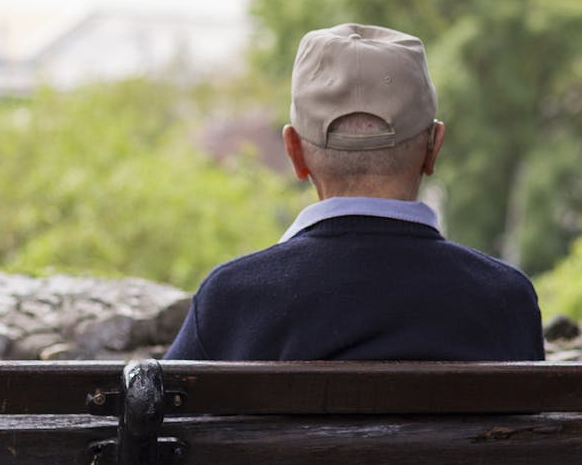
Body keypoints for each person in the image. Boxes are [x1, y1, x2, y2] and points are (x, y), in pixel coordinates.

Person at [164, 21, 544, 361]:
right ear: (433, 149)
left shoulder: (231, 301)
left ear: (294, 152)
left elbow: (159, 424)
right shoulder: (506, 300)